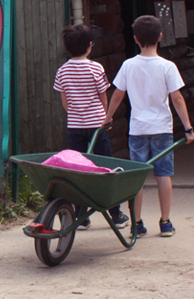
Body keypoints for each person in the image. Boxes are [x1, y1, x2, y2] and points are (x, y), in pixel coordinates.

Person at [105, 15, 194, 238]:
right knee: (163, 175)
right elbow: (177, 99)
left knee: (137, 178)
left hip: (138, 130)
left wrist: (107, 118)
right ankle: (165, 223)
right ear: (161, 37)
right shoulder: (168, 66)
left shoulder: (128, 65)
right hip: (162, 130)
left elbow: (117, 95)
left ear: (135, 39)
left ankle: (137, 224)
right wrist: (188, 127)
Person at [53, 24, 129, 231]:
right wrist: (106, 118)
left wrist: (76, 114)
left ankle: (81, 216)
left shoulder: (62, 70)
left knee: (78, 168)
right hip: (98, 126)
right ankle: (115, 214)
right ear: (90, 46)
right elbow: (103, 95)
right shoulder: (96, 68)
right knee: (105, 167)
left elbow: (65, 102)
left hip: (75, 126)